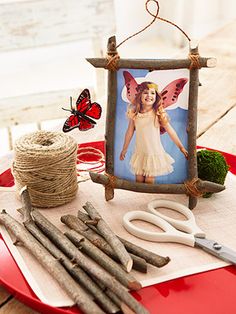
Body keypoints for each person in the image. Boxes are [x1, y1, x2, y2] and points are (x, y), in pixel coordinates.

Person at [119, 81, 188, 184]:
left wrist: (181, 147)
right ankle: (139, 199)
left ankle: (147, 199)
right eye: (145, 92)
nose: (149, 95)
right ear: (139, 96)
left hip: (153, 154)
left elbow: (170, 131)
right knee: (139, 180)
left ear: (156, 97)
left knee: (149, 181)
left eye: (152, 93)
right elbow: (129, 132)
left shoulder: (157, 114)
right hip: (140, 153)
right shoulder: (135, 114)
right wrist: (124, 149)